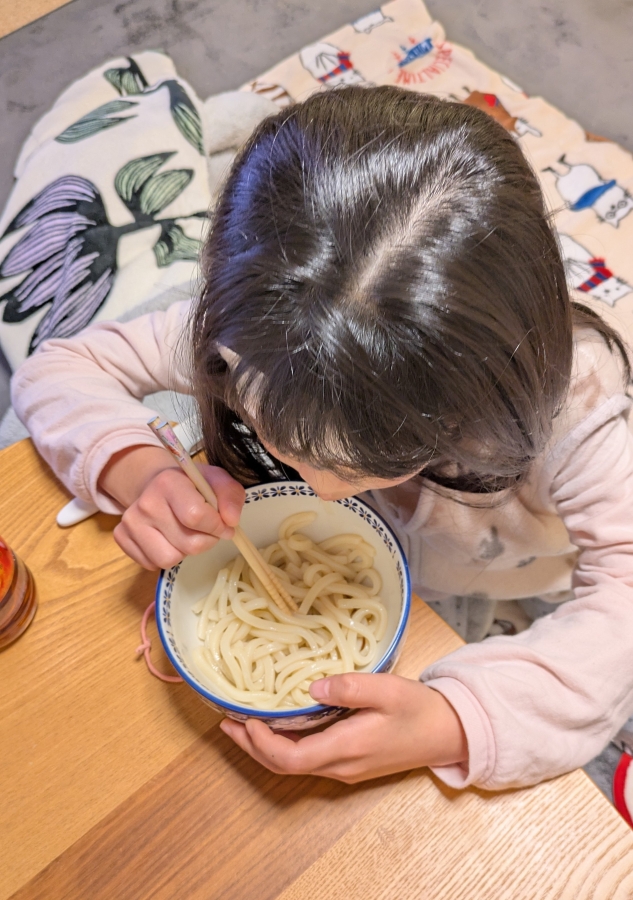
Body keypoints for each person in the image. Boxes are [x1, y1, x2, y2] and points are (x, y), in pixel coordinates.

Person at [12, 87, 633, 791]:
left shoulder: (575, 408)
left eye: (364, 465)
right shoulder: (260, 328)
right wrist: (140, 471)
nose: (319, 489)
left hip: (483, 576)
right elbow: (57, 368)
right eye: (279, 437)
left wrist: (452, 723)